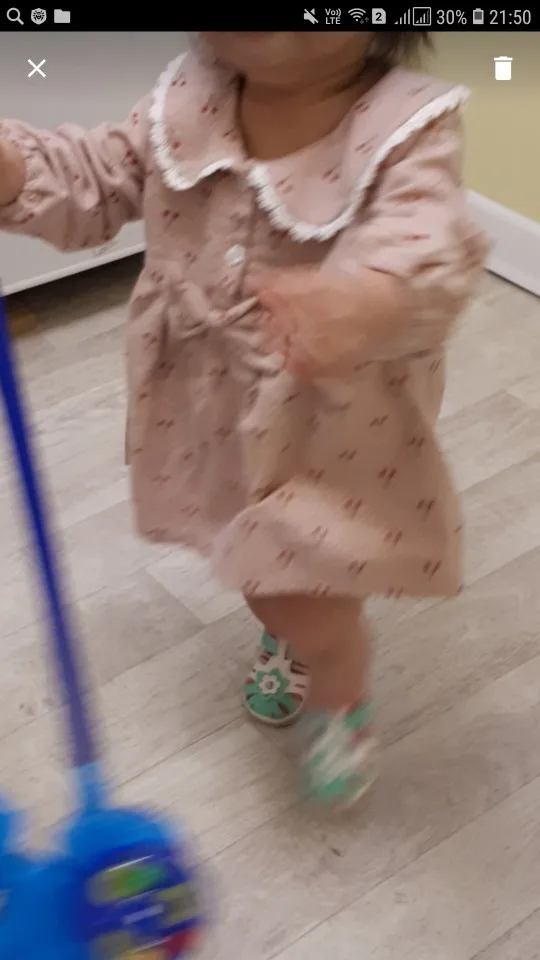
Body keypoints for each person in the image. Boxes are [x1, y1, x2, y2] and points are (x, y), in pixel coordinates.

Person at [0, 31, 487, 806]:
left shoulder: (405, 125)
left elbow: (428, 244)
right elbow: (96, 177)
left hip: (329, 431)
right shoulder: (187, 95)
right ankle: (290, 629)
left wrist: (368, 299)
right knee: (253, 557)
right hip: (212, 409)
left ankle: (340, 688)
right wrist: (16, 170)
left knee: (308, 599)